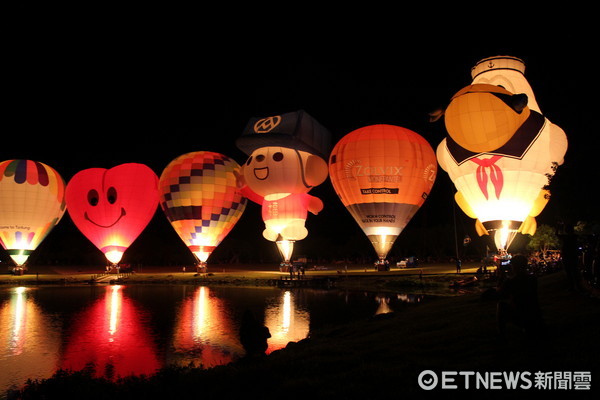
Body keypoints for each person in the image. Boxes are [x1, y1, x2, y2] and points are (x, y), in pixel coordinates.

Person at [496, 254, 544, 339]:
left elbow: (500, 294)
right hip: (534, 315)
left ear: (514, 266)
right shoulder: (532, 279)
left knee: (501, 305)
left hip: (521, 315)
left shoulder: (511, 282)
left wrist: (502, 278)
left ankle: (502, 335)